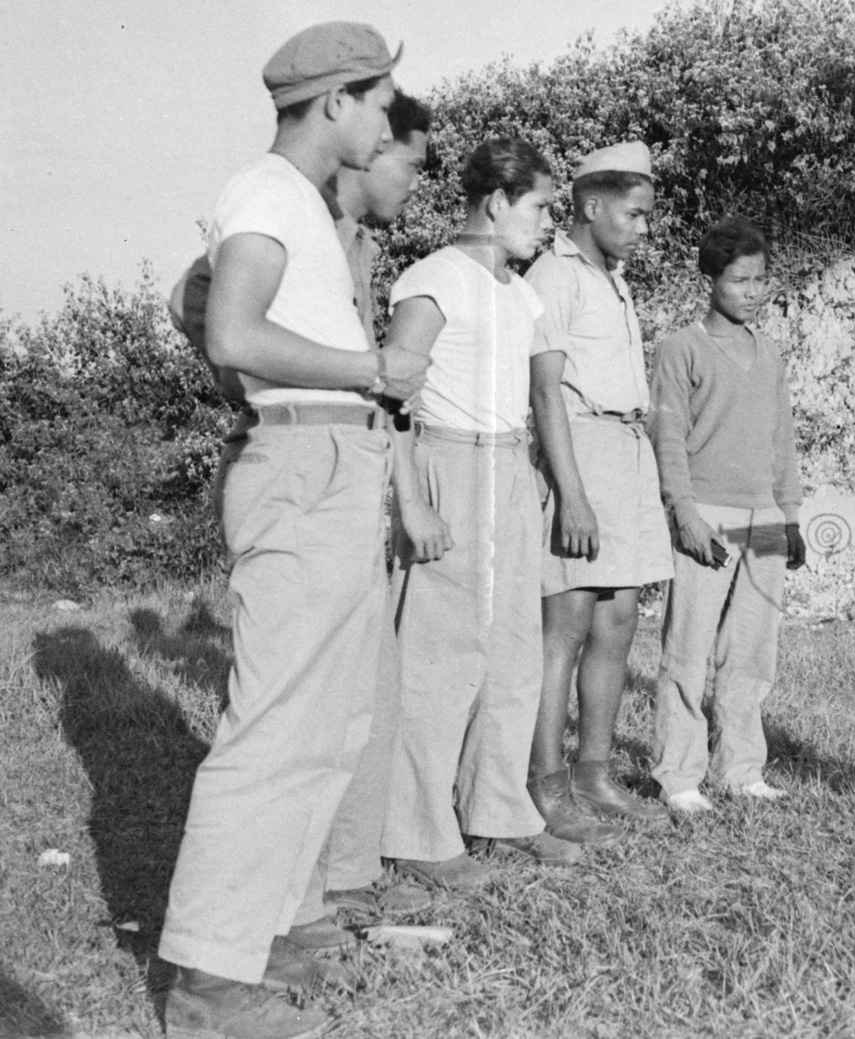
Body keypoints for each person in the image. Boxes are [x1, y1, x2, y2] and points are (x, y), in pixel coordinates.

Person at [158, 23, 428, 1039]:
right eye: (378, 100)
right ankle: (206, 982)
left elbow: (205, 318)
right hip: (307, 459)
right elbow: (227, 330)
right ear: (334, 104)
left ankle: (268, 929)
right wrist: (369, 371)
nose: (385, 119)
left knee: (331, 724)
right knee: (275, 729)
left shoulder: (296, 207)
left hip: (334, 461)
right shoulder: (267, 192)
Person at [380, 137, 622, 890]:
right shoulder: (432, 280)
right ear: (495, 203)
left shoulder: (520, 292)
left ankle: (498, 812)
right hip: (449, 464)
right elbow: (388, 401)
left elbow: (540, 396)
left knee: (513, 653)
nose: (548, 222)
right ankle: (419, 833)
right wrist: (412, 502)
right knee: (442, 658)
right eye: (541, 206)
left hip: (511, 470)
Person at [524, 141, 673, 830]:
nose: (644, 229)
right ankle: (545, 782)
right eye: (635, 214)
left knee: (618, 620)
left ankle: (594, 771)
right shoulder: (554, 275)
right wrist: (572, 493)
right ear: (591, 204)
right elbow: (547, 390)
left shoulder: (609, 277)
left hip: (624, 449)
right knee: (568, 625)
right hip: (580, 449)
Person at [646, 216, 805, 814]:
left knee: (751, 652)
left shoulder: (769, 354)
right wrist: (683, 513)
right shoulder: (680, 349)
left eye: (761, 280)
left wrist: (788, 514)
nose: (753, 291)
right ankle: (678, 775)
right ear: (710, 279)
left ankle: (740, 769)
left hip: (762, 516)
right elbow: (667, 437)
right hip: (706, 514)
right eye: (740, 280)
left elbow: (782, 439)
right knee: (687, 649)